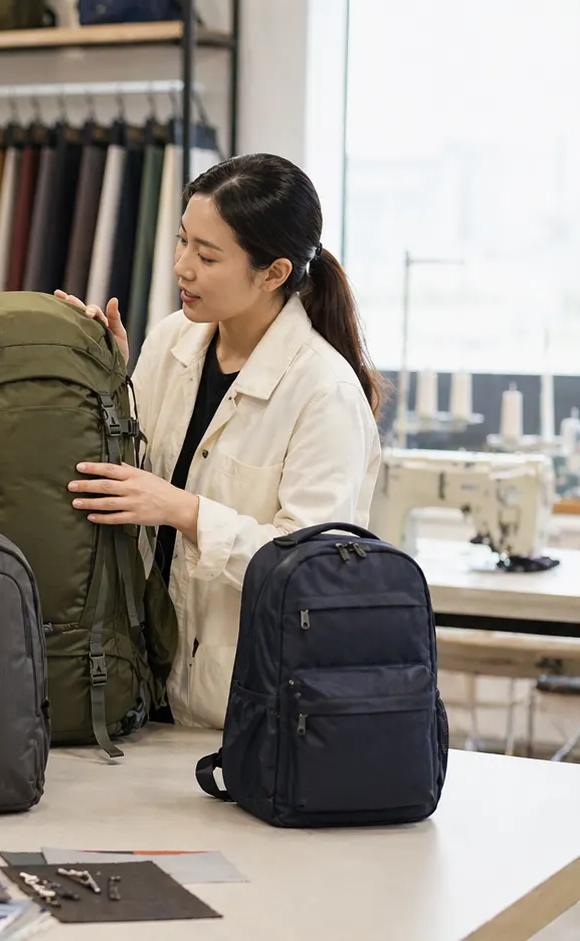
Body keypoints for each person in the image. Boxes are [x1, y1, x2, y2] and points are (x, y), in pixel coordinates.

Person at [57, 153, 384, 730]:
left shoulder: (323, 392)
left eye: (207, 256)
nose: (182, 266)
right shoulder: (172, 342)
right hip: (138, 687)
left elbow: (313, 573)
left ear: (273, 273)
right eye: (183, 242)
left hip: (243, 711)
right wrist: (100, 381)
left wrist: (186, 512)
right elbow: (125, 479)